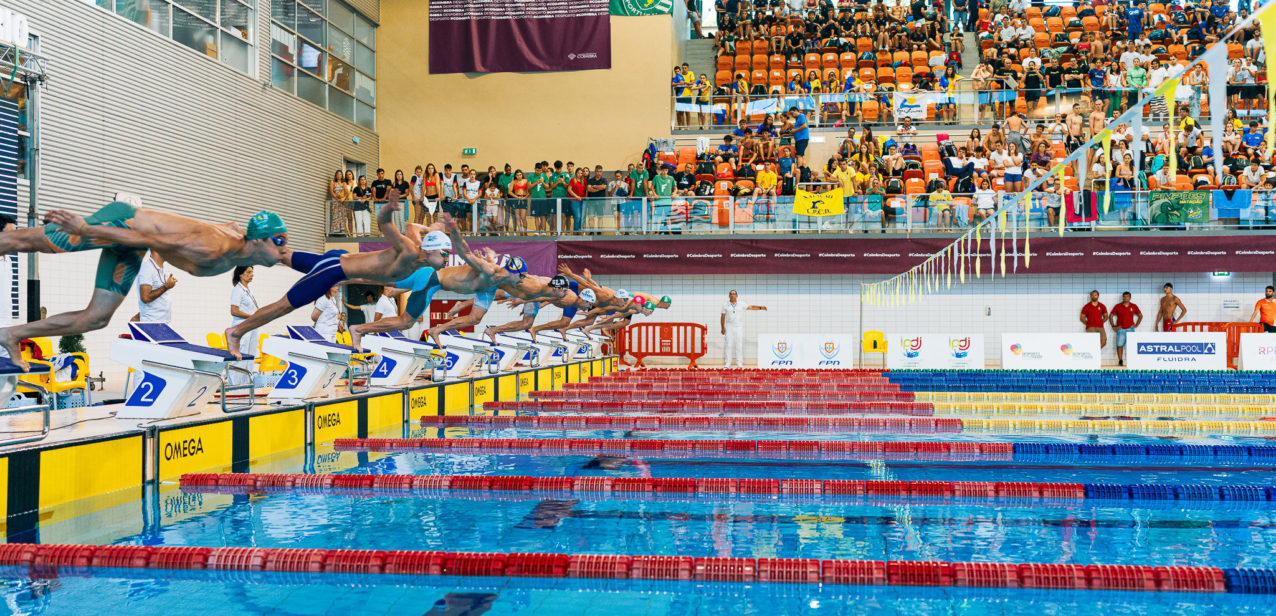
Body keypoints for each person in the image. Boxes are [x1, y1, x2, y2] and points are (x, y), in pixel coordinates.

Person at [0, 206, 289, 370]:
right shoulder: (212, 249)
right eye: (279, 241)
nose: (283, 249)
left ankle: (11, 335)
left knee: (97, 318)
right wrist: (84, 228)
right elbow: (143, 234)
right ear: (259, 241)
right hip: (121, 226)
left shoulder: (245, 241)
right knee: (21, 241)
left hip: (135, 242)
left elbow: (237, 226)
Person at [721, 289, 767, 368]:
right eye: (731, 294)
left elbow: (751, 307)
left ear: (737, 296)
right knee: (729, 345)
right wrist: (722, 328)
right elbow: (722, 317)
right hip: (729, 326)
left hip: (739, 326)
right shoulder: (725, 304)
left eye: (734, 294)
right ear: (729, 296)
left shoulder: (741, 304)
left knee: (739, 345)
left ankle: (739, 363)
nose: (732, 295)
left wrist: (760, 307)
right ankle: (728, 363)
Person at [229, 265, 258, 385]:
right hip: (242, 328)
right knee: (240, 358)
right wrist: (252, 317)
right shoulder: (237, 290)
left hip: (252, 327)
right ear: (241, 274)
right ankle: (234, 386)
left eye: (252, 272)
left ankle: (246, 386)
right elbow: (234, 311)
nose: (252, 274)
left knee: (250, 358)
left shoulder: (249, 291)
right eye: (249, 272)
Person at [135, 251, 176, 323]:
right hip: (151, 323)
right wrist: (166, 286)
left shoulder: (165, 269)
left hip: (163, 322)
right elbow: (145, 298)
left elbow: (159, 300)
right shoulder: (147, 268)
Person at [1109, 291, 1143, 366]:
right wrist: (1113, 326)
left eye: (1127, 296)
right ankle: (1120, 360)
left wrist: (1136, 324)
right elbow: (1111, 315)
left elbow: (1140, 315)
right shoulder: (1118, 306)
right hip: (1121, 329)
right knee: (1120, 345)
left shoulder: (1134, 306)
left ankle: (1132, 360)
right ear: (1122, 297)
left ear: (1130, 298)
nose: (1125, 298)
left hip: (1130, 329)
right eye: (1124, 296)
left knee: (1132, 345)